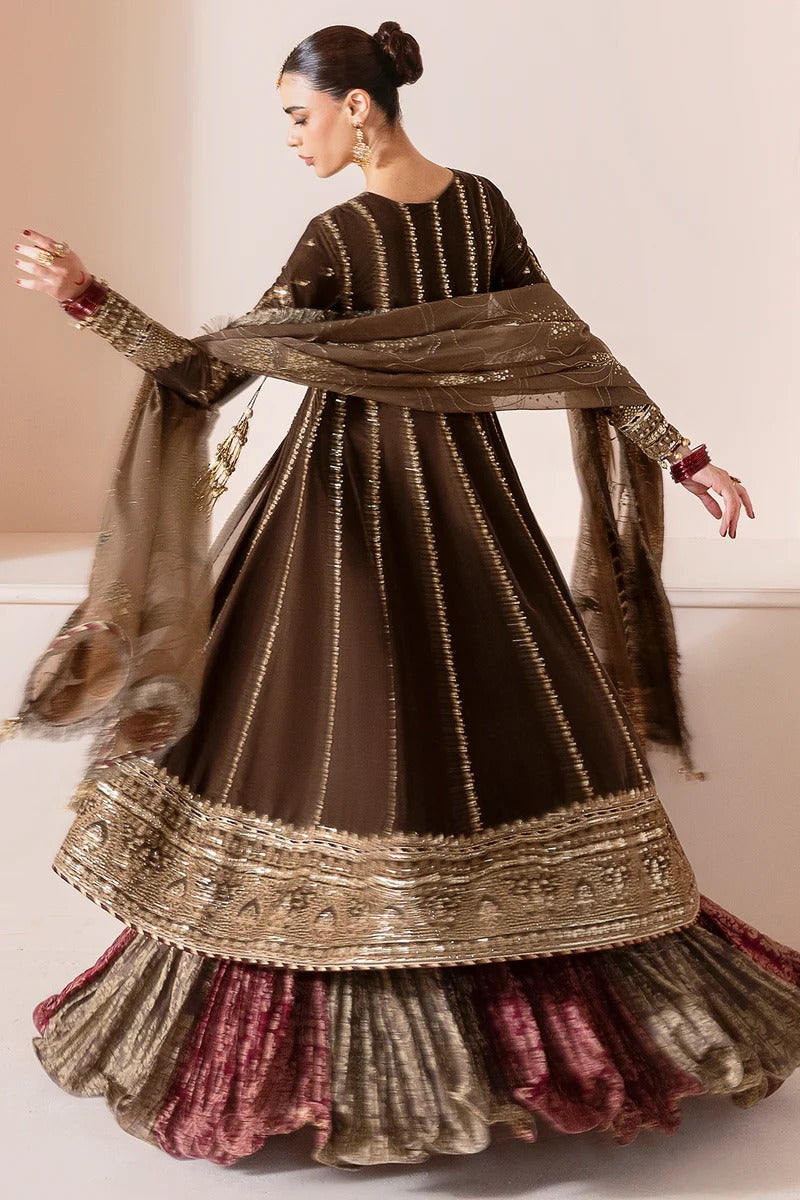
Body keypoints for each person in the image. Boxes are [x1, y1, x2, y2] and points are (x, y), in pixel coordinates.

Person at [11, 20, 799, 1174]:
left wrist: (89, 298)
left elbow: (207, 373)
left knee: (366, 748)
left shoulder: (372, 229)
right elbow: (577, 352)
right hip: (418, 519)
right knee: (412, 742)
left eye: (298, 115)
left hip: (363, 516)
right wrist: (680, 455)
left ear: (357, 107)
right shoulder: (456, 213)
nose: (291, 139)